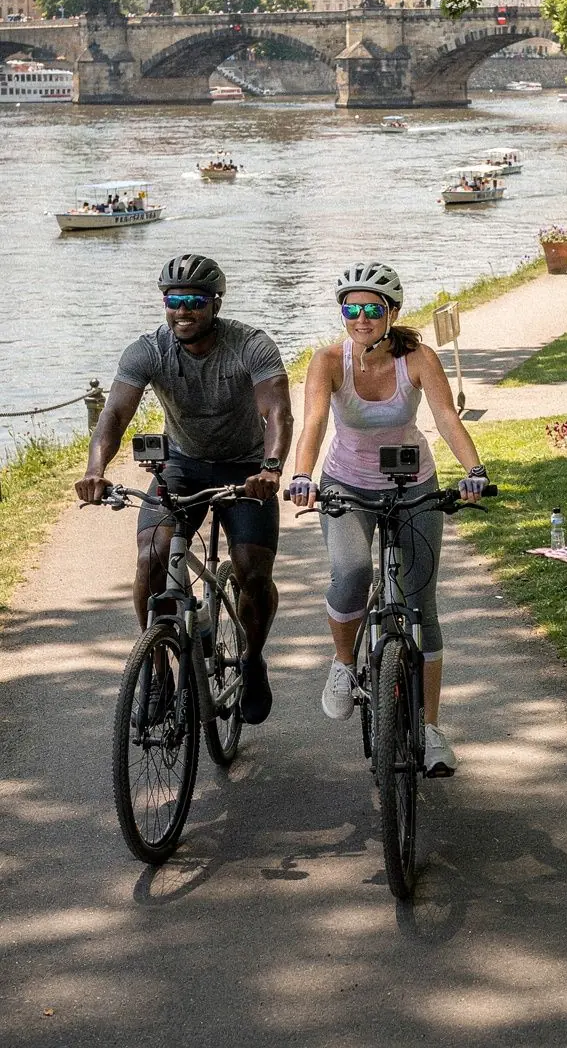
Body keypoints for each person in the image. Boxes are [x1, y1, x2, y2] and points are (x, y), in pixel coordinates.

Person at [287, 260, 490, 776]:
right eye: (350, 309)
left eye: (371, 310)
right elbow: (312, 421)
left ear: (392, 313)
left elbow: (445, 417)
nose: (360, 319)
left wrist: (474, 470)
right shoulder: (328, 360)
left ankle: (430, 727)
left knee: (421, 602)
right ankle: (342, 662)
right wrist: (302, 475)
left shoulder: (417, 357)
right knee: (353, 573)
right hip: (346, 484)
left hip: (412, 482)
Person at [75, 253, 293, 725]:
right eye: (174, 301)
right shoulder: (148, 350)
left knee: (254, 574)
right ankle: (157, 670)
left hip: (246, 469)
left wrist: (271, 469)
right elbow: (114, 415)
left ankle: (253, 660)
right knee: (151, 558)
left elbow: (278, 412)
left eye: (194, 302)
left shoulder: (251, 345)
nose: (183, 312)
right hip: (181, 465)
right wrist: (96, 468)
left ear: (215, 304)